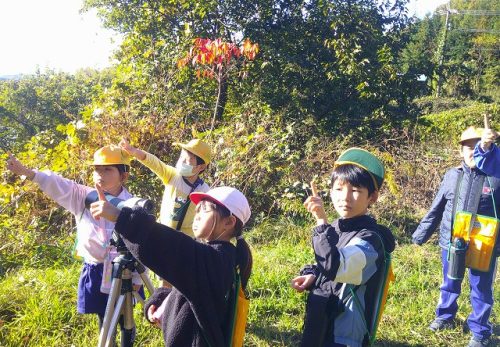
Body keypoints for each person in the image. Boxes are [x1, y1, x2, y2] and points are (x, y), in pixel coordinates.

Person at [6, 145, 145, 346]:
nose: (100, 174)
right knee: (104, 318)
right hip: (97, 269)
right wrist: (27, 172)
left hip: (124, 269)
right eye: (97, 169)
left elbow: (142, 240)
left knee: (126, 317)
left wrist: (139, 276)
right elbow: (57, 183)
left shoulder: (132, 203)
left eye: (107, 169)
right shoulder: (82, 196)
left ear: (123, 176)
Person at [90, 185, 253, 347]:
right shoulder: (220, 259)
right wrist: (160, 299)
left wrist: (121, 217)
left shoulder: (214, 261)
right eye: (197, 209)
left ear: (229, 222)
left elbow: (171, 247)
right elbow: (190, 292)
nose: (197, 215)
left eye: (205, 209)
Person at [291, 148, 395, 347]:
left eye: (355, 190)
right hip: (321, 323)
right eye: (339, 189)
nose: (345, 197)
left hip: (344, 336)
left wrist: (321, 221)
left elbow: (337, 267)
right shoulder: (336, 228)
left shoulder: (371, 239)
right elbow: (327, 268)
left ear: (372, 197)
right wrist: (312, 275)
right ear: (330, 192)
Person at [412, 126, 500, 347]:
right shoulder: (452, 176)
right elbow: (436, 208)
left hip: (484, 246)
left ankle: (480, 332)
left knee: (481, 289)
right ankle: (445, 316)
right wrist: (420, 235)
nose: (471, 151)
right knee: (450, 282)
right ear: (460, 151)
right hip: (452, 242)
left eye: (476, 146)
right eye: (467, 147)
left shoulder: (496, 177)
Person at [119, 138, 211, 237]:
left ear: (201, 167)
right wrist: (133, 151)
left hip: (186, 242)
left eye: (187, 161)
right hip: (161, 234)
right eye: (181, 158)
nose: (182, 162)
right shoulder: (172, 176)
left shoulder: (204, 191)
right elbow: (154, 162)